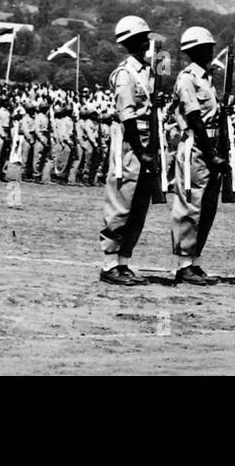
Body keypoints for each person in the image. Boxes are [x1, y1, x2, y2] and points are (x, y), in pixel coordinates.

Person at [98, 15, 157, 286]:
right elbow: (127, 116)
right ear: (131, 42)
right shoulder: (125, 74)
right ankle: (109, 263)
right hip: (131, 143)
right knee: (122, 201)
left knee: (138, 205)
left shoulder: (147, 71)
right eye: (142, 38)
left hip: (146, 142)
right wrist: (141, 150)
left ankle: (123, 262)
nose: (147, 42)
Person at [169, 26, 224, 286]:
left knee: (207, 208)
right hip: (197, 148)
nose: (210, 51)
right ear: (194, 51)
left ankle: (194, 259)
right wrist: (212, 155)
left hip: (210, 147)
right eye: (206, 48)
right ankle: (183, 264)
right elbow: (195, 119)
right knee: (191, 204)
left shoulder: (208, 79)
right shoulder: (187, 78)